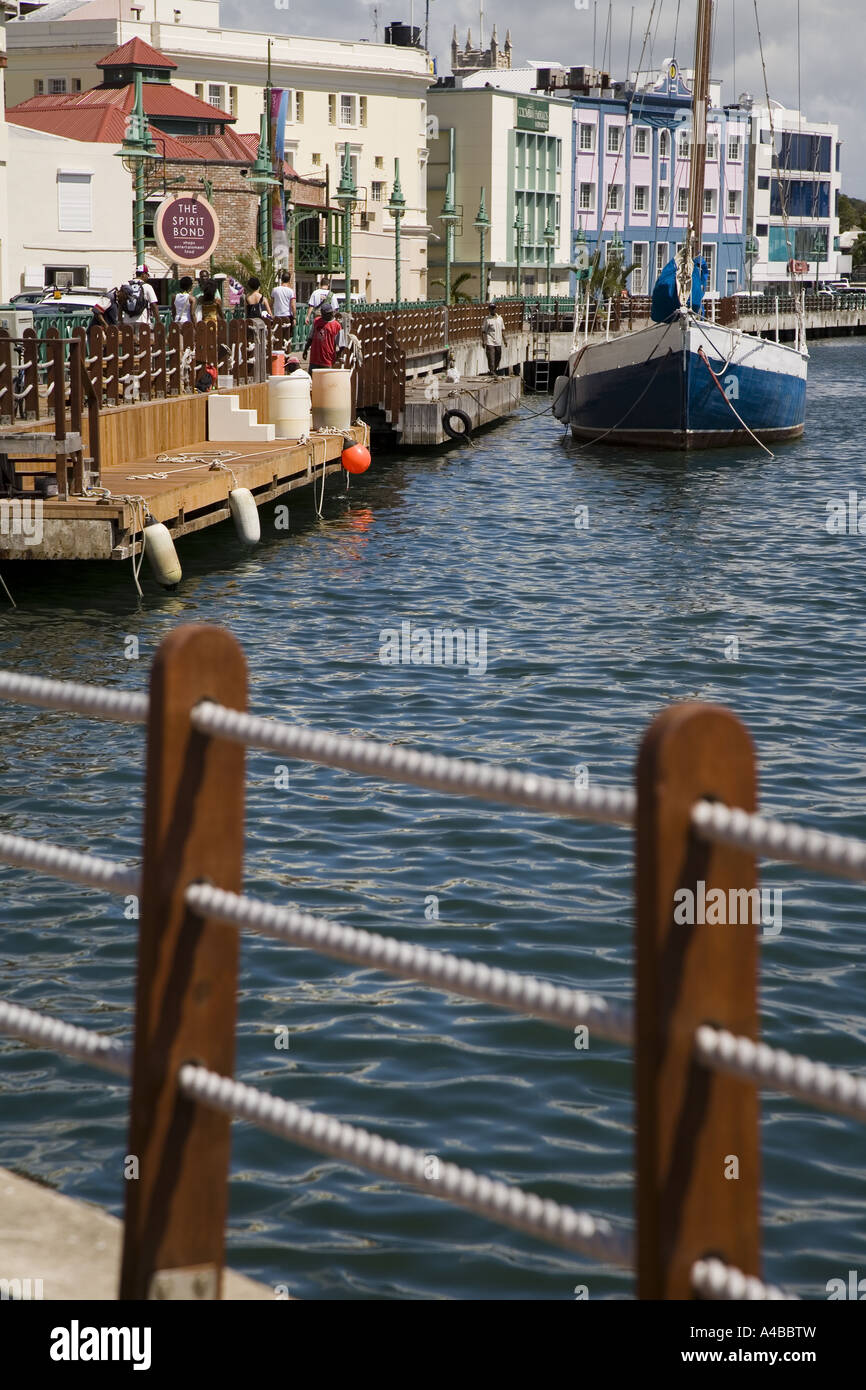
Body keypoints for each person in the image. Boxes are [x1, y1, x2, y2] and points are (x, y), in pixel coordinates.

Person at [303, 303, 343, 369]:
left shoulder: (337, 325)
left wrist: (337, 356)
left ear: (332, 313)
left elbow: (342, 344)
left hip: (327, 360)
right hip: (314, 359)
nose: (326, 316)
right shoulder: (316, 321)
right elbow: (310, 337)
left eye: (328, 314)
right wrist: (305, 350)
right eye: (324, 314)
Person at [481, 302, 507, 375]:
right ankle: (491, 370)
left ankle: (494, 370)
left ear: (495, 309)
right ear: (489, 310)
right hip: (490, 341)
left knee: (498, 356)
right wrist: (484, 341)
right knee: (491, 356)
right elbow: (483, 331)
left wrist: (505, 340)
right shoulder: (487, 319)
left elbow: (502, 330)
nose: (492, 310)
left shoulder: (500, 319)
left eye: (493, 308)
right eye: (491, 309)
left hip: (498, 341)